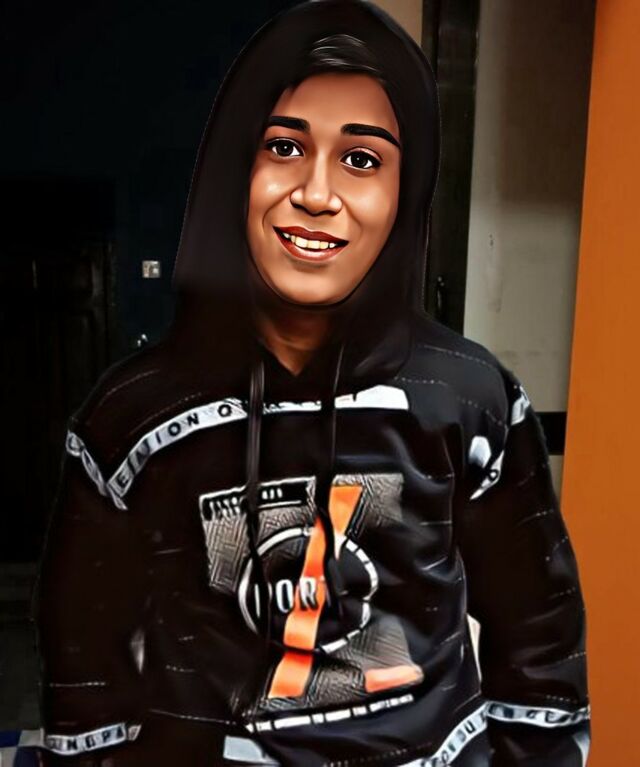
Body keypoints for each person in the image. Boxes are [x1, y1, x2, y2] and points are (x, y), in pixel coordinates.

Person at [33, 1, 591, 765]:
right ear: (235, 166)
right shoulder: (130, 415)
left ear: (406, 191)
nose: (318, 194)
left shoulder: (470, 397)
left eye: (361, 159)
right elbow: (83, 662)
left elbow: (541, 640)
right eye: (284, 147)